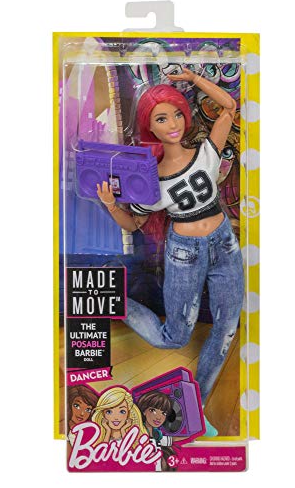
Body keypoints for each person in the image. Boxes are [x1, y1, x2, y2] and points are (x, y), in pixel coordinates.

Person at [96, 68, 244, 436]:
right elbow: (133, 224)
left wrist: (194, 79)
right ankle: (118, 302)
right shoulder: (151, 181)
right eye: (161, 118)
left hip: (224, 243)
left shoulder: (206, 152)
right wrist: (111, 204)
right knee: (173, 338)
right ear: (150, 126)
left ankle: (198, 406)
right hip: (184, 253)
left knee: (227, 328)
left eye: (177, 113)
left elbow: (229, 106)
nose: (173, 123)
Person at [137, 391, 178, 471]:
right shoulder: (139, 432)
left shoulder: (157, 434)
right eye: (153, 410)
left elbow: (171, 440)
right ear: (144, 411)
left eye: (164, 413)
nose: (159, 417)